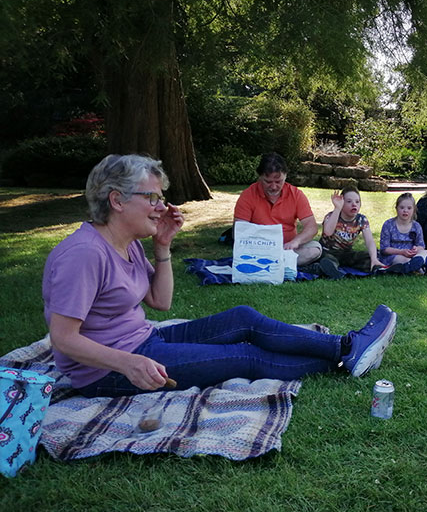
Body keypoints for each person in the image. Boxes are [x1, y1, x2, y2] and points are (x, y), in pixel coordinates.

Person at [42, 154, 398, 398]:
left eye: (161, 197)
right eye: (151, 197)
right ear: (117, 200)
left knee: (243, 317)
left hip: (145, 341)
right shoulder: (85, 253)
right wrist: (129, 363)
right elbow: (63, 338)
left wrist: (163, 246)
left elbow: (160, 303)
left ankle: (346, 348)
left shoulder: (129, 242)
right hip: (108, 371)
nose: (162, 207)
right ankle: (342, 359)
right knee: (244, 356)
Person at [233, 152, 322, 266]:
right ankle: (282, 264)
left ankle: (269, 264)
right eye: (268, 182)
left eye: (278, 181)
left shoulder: (296, 194)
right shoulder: (247, 195)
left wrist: (296, 241)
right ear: (260, 177)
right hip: (258, 249)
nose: (274, 187)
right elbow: (239, 231)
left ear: (285, 176)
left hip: (287, 248)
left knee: (315, 249)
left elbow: (311, 227)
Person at [316, 186, 385, 276]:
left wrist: (374, 258)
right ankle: (329, 270)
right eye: (349, 201)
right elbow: (328, 232)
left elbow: (369, 241)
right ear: (342, 203)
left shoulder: (361, 219)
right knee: (328, 261)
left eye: (357, 202)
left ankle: (374, 266)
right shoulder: (332, 216)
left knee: (372, 256)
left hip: (346, 253)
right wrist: (337, 208)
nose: (354, 204)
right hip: (328, 252)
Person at [379, 193, 427, 276]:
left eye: (409, 208)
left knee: (425, 252)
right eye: (402, 207)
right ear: (396, 208)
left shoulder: (416, 226)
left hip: (412, 255)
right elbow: (384, 249)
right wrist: (401, 252)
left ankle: (419, 266)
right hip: (395, 255)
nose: (405, 210)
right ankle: (421, 268)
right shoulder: (388, 224)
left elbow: (421, 246)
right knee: (403, 259)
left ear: (414, 210)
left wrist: (415, 249)